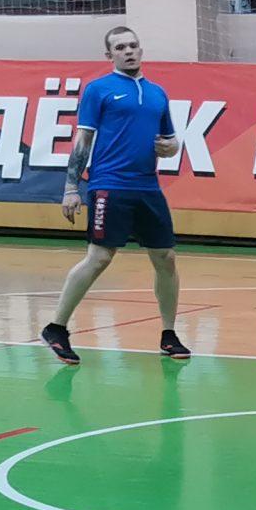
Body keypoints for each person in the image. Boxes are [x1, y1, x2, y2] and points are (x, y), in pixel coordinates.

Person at [41, 25, 191, 365]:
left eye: (133, 45)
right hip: (109, 184)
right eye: (120, 47)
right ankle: (56, 327)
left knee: (166, 258)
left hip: (147, 186)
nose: (129, 51)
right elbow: (83, 141)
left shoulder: (157, 94)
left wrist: (172, 147)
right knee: (99, 257)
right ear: (109, 55)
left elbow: (169, 141)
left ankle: (169, 334)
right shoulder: (99, 90)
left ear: (141, 50)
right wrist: (71, 187)